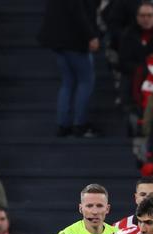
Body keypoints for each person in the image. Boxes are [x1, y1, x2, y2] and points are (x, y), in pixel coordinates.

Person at [37, 0, 99, 138]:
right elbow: (79, 13)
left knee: (67, 83)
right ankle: (79, 124)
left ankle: (63, 124)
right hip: (75, 41)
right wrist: (91, 35)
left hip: (58, 41)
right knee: (86, 81)